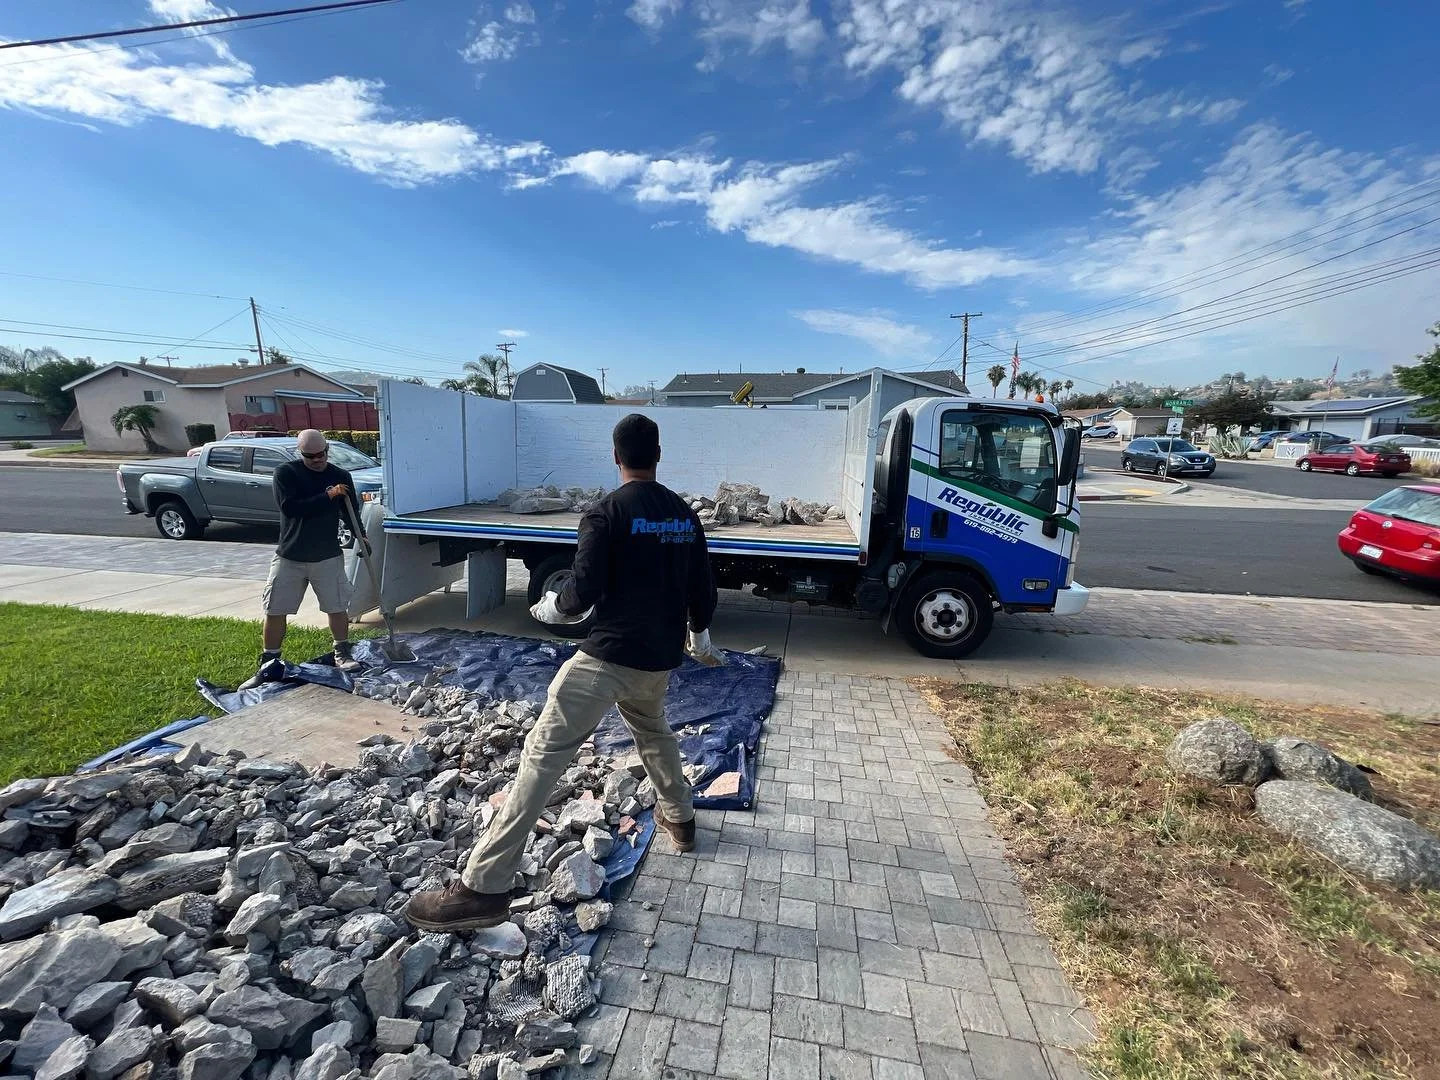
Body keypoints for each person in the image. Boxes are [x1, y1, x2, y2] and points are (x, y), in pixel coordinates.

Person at [406, 413, 723, 932]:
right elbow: (701, 588)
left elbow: (585, 588)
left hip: (605, 660)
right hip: (658, 659)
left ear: (616, 458)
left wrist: (555, 607)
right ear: (658, 455)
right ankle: (681, 819)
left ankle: (483, 887)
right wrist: (700, 631)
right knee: (651, 729)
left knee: (543, 755)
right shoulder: (683, 515)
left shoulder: (606, 513)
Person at [245, 428, 362, 686]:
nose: (318, 460)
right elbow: (291, 508)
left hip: (327, 555)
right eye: (311, 456)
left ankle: (341, 652)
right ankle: (269, 662)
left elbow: (350, 511)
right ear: (301, 453)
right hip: (291, 555)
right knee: (275, 608)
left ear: (327, 451)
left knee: (337, 606)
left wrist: (360, 536)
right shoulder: (287, 473)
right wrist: (328, 495)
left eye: (322, 454)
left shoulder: (340, 476)